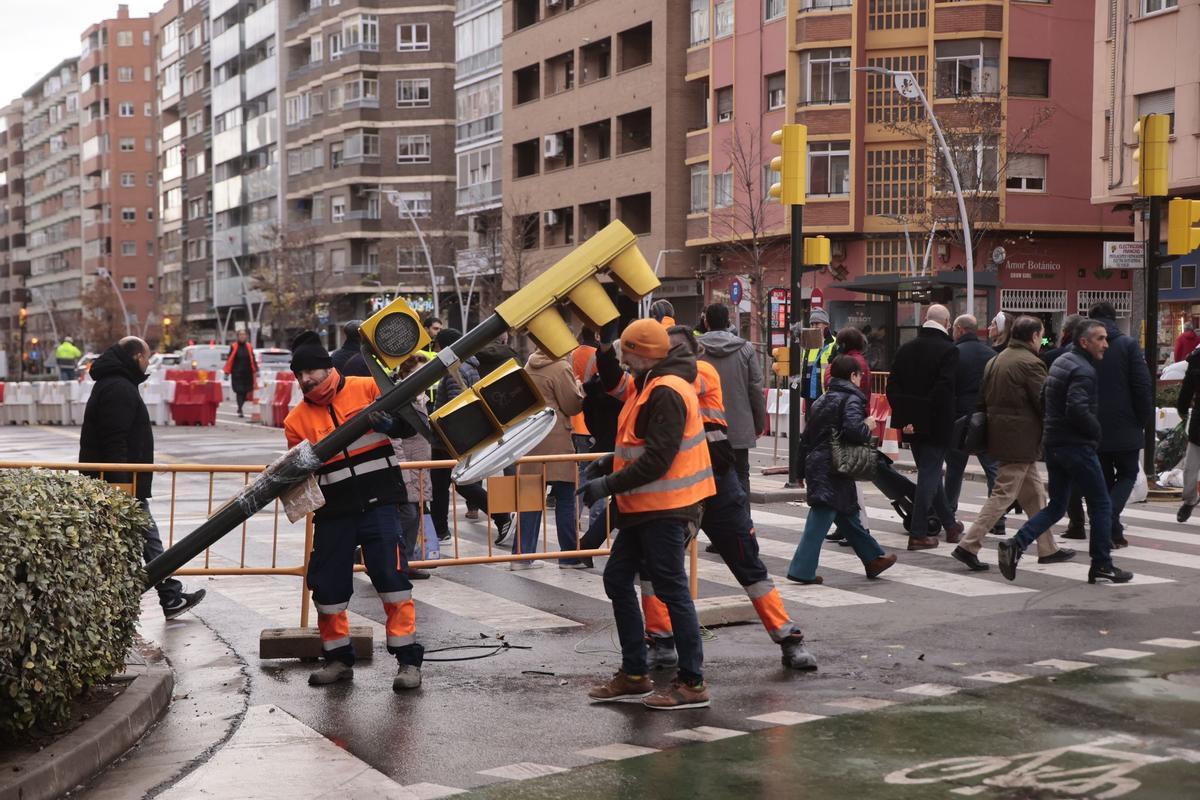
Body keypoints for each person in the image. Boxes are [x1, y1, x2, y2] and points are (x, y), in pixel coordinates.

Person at [617, 325, 817, 671]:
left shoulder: (698, 371)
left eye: (673, 350)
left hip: (717, 485)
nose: (666, 356)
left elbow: (681, 389)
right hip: (680, 488)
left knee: (745, 561)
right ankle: (661, 639)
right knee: (654, 567)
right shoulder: (650, 382)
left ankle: (787, 636)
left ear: (691, 352)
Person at [580, 319, 716, 710]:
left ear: (641, 353)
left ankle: (692, 682)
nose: (623, 360)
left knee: (672, 591)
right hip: (646, 507)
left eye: (625, 353)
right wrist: (609, 462)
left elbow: (658, 459)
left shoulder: (667, 390)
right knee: (617, 579)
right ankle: (635, 674)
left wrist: (606, 485)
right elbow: (637, 444)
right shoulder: (650, 383)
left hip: (667, 508)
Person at [283, 331, 426, 690]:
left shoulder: (368, 387)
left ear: (327, 367)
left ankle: (408, 661)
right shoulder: (295, 421)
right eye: (298, 376)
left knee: (392, 581)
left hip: (379, 505)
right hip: (334, 513)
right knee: (328, 589)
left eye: (310, 372)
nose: (304, 381)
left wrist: (390, 425)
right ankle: (337, 658)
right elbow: (301, 475)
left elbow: (411, 424)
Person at [997, 321, 1133, 584]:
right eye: (1101, 339)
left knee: (1058, 505)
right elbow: (1077, 408)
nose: (1106, 344)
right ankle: (1102, 564)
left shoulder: (1061, 362)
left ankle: (1017, 543)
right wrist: (1096, 433)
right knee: (1102, 504)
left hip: (1055, 443)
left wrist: (1052, 428)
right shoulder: (1084, 371)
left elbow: (1043, 398)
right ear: (1085, 342)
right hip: (1076, 445)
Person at [79, 337, 205, 619]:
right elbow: (116, 442)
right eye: (147, 358)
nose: (148, 364)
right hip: (120, 485)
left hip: (119, 482)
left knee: (146, 541)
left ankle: (169, 595)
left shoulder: (115, 384)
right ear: (136, 357)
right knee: (145, 540)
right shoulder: (119, 388)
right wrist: (123, 487)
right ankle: (166, 596)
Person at [950, 316, 1075, 571]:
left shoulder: (996, 359)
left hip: (1003, 435)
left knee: (1035, 495)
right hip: (1021, 438)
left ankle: (1047, 547)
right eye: (1040, 336)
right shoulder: (1030, 363)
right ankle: (968, 544)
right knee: (1003, 493)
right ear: (1032, 337)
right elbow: (1045, 402)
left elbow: (982, 400)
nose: (1041, 341)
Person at [786, 355, 897, 584]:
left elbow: (805, 439)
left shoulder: (821, 401)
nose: (861, 380)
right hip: (834, 465)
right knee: (822, 515)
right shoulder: (851, 400)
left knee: (847, 513)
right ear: (852, 375)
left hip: (821, 464)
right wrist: (867, 426)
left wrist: (799, 471)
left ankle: (873, 558)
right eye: (859, 375)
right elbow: (854, 430)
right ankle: (801, 569)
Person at [885, 304, 963, 550]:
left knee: (929, 472)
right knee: (930, 474)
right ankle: (918, 532)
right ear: (947, 322)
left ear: (926, 320)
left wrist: (907, 414)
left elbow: (892, 386)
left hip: (910, 423)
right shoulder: (949, 350)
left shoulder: (905, 348)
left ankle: (950, 525)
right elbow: (944, 388)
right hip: (936, 421)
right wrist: (926, 412)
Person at [427, 328, 513, 544]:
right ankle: (440, 529)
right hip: (453, 437)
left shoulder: (455, 369)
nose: (436, 350)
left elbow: (458, 406)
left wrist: (451, 435)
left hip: (449, 438)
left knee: (457, 484)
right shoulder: (468, 365)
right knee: (444, 484)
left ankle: (501, 517)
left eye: (438, 346)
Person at [1089, 302, 1152, 550]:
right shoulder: (1128, 345)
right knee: (1127, 474)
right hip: (1126, 423)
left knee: (1103, 479)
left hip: (1094, 424)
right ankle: (1109, 521)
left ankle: (1111, 529)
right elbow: (1142, 386)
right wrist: (1142, 419)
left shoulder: (1087, 346)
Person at [515, 349, 585, 569]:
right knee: (566, 498)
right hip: (557, 440)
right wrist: (579, 389)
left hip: (531, 439)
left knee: (530, 500)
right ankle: (569, 556)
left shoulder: (529, 365)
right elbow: (572, 405)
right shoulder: (561, 367)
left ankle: (522, 556)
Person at [697, 303, 766, 497]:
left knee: (704, 479)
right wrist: (759, 423)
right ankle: (744, 525)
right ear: (728, 321)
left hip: (704, 428)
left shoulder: (695, 350)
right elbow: (755, 389)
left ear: (706, 321)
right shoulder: (746, 349)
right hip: (739, 428)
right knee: (741, 476)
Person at [943, 314, 1002, 530]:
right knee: (992, 468)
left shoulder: (954, 353)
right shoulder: (991, 354)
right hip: (986, 417)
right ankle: (997, 518)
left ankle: (948, 512)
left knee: (954, 469)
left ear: (959, 329)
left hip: (959, 418)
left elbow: (948, 386)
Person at [822, 327, 874, 546]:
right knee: (846, 480)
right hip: (850, 421)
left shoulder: (852, 365)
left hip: (849, 425)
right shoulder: (854, 361)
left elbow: (829, 383)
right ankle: (847, 526)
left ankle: (859, 527)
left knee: (851, 479)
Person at [393, 352, 432, 580]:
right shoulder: (401, 398)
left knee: (414, 514)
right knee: (407, 514)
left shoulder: (420, 397)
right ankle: (399, 562)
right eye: (419, 372)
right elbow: (395, 438)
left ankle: (403, 561)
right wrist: (403, 468)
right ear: (406, 373)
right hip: (407, 467)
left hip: (419, 467)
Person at [797, 307, 835, 418]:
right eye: (812, 324)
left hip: (826, 393)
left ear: (826, 325)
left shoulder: (833, 343)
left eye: (817, 323)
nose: (813, 327)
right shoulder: (807, 345)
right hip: (809, 394)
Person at [1177, 344, 1200, 522]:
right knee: (1190, 469)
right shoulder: (1196, 359)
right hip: (1199, 422)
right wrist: (1182, 408)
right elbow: (1187, 388)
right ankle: (1189, 499)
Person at [223, 329, 258, 417]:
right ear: (238, 337)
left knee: (246, 391)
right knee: (239, 391)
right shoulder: (234, 346)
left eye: (244, 335)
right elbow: (230, 359)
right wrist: (227, 372)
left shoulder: (249, 347)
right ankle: (240, 408)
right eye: (241, 335)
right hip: (237, 373)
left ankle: (240, 406)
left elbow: (252, 358)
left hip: (247, 373)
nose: (243, 336)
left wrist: (256, 369)